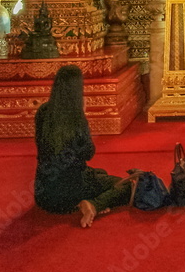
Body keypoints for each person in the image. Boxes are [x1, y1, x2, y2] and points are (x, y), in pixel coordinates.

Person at [34, 65, 133, 228]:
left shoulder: (42, 112)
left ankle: (88, 199)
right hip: (72, 192)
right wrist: (83, 114)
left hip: (44, 195)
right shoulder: (76, 118)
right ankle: (94, 204)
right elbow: (88, 153)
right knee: (128, 185)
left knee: (99, 173)